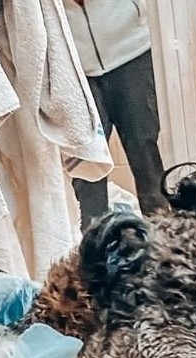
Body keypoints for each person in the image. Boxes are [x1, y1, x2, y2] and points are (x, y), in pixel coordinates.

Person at [63, 0, 168, 227]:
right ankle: (93, 249)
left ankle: (164, 238)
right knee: (87, 167)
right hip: (74, 67)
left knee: (145, 153)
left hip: (131, 50)